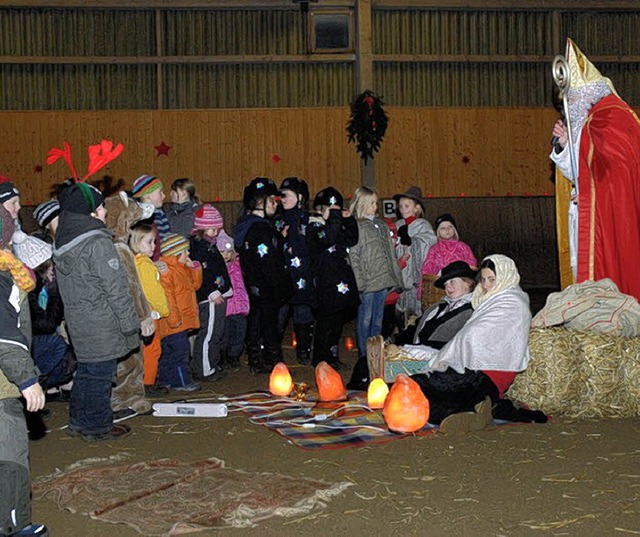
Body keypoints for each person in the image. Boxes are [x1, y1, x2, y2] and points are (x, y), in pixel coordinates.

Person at [405, 255, 546, 429]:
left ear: (505, 276)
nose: (486, 285)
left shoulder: (512, 303)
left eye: (492, 279)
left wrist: (446, 356)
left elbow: (473, 337)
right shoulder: (487, 301)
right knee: (417, 385)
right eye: (484, 279)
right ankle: (484, 408)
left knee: (427, 392)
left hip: (490, 375)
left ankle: (477, 410)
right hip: (472, 370)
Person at [550, 38, 640, 302]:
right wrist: (565, 146)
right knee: (582, 271)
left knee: (608, 269)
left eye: (574, 97)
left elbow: (620, 172)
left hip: (606, 212)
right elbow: (578, 171)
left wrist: (590, 192)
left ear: (588, 92)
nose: (571, 103)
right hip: (585, 211)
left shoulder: (612, 117)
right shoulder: (587, 122)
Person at [53, 182, 140, 442]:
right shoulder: (97, 243)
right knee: (101, 376)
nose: (104, 211)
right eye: (101, 206)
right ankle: (97, 425)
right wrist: (129, 323)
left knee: (88, 372)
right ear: (90, 213)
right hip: (102, 322)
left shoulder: (64, 240)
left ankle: (80, 420)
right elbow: (115, 288)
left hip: (80, 321)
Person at [0, 205, 48, 537]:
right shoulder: (2, 278)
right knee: (11, 459)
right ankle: (15, 525)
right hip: (2, 389)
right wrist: (27, 379)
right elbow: (5, 333)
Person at [235, 177, 293, 374]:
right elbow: (268, 260)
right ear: (262, 202)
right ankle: (273, 359)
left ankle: (256, 359)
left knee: (257, 320)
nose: (275, 205)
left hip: (255, 285)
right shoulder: (260, 228)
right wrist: (282, 285)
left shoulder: (250, 225)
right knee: (269, 324)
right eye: (273, 201)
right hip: (267, 285)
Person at [348, 186, 402, 369]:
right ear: (362, 204)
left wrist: (395, 277)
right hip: (368, 281)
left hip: (382, 280)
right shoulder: (356, 226)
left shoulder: (381, 225)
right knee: (365, 318)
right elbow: (353, 256)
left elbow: (390, 254)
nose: (375, 206)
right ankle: (364, 354)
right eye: (372, 203)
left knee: (378, 318)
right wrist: (360, 282)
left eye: (376, 203)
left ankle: (375, 352)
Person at [308, 187, 359, 370]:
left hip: (340, 282)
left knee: (337, 324)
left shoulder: (336, 225)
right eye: (331, 209)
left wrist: (349, 220)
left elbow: (352, 239)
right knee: (325, 322)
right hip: (324, 283)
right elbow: (328, 239)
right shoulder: (313, 227)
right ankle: (320, 358)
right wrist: (334, 219)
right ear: (320, 209)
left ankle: (333, 355)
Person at [189, 204, 232, 381]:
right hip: (211, 298)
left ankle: (211, 364)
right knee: (208, 333)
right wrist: (212, 292)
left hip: (218, 294)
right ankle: (203, 369)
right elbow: (203, 272)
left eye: (217, 228)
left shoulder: (209, 244)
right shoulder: (199, 247)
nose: (215, 232)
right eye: (212, 228)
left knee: (216, 332)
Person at [157, 233, 203, 391]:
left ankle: (166, 380)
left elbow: (195, 285)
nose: (189, 254)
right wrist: (174, 319)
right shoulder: (167, 272)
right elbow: (168, 298)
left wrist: (194, 269)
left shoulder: (182, 269)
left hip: (181, 321)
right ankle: (181, 382)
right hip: (175, 322)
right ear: (176, 254)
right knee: (179, 353)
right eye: (186, 251)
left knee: (170, 353)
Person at [277, 177, 315, 365]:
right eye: (281, 195)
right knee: (280, 314)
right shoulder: (278, 220)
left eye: (286, 195)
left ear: (299, 197)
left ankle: (303, 351)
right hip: (284, 274)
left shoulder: (306, 220)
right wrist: (285, 247)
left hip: (302, 275)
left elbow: (310, 246)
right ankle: (274, 352)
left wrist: (294, 248)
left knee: (302, 314)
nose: (282, 199)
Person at [129, 223, 170, 389]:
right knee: (153, 349)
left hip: (139, 310)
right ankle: (148, 383)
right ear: (137, 243)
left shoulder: (134, 262)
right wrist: (163, 309)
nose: (154, 246)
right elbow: (153, 291)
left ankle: (143, 380)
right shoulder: (145, 265)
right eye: (149, 242)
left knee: (142, 350)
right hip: (151, 312)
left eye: (154, 242)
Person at [393, 186, 436, 324]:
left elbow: (429, 242)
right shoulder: (398, 225)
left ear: (416, 208)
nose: (403, 209)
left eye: (407, 206)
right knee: (401, 310)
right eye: (400, 206)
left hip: (415, 274)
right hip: (401, 271)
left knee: (416, 311)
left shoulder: (423, 226)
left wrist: (412, 242)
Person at [419, 213, 477, 306]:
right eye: (443, 228)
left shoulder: (463, 247)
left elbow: (473, 266)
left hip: (463, 289)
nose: (447, 230)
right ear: (438, 232)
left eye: (450, 227)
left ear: (454, 229)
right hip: (439, 290)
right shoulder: (434, 250)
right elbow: (427, 271)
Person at [216, 231, 249, 371]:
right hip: (226, 308)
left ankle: (233, 356)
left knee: (239, 334)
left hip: (239, 307)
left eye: (228, 251)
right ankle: (222, 357)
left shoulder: (239, 264)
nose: (225, 255)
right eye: (222, 251)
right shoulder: (218, 268)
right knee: (225, 335)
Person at [131, 174, 170, 260]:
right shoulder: (140, 218)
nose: (164, 196)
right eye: (160, 192)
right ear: (147, 195)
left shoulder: (159, 214)